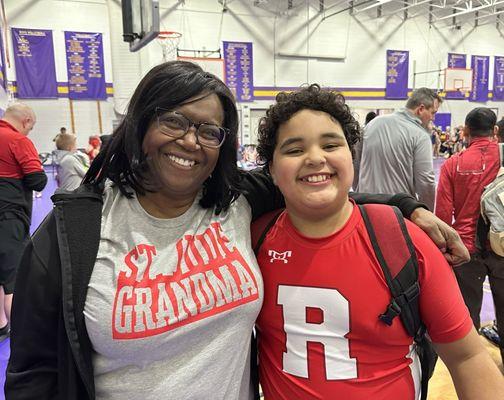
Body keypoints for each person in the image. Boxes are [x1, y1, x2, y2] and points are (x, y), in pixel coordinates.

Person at [6, 62, 469, 400]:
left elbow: (314, 184)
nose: (191, 141)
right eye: (174, 121)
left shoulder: (235, 201)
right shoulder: (74, 230)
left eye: (210, 131)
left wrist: (407, 208)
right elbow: (33, 373)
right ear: (140, 124)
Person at [254, 85, 503, 400]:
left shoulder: (404, 242)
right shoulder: (255, 241)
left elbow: (467, 356)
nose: (316, 157)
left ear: (352, 157)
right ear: (272, 171)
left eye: (331, 144)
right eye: (294, 149)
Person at [436, 107, 504, 365]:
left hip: (466, 250)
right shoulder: (503, 159)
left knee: (467, 318)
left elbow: (442, 215)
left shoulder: (453, 164)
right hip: (502, 246)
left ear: (465, 131)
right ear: (494, 130)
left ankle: (477, 376)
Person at [0, 103, 46, 338]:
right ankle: (22, 336)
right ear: (26, 121)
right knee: (13, 278)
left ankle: (1, 326)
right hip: (8, 217)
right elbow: (38, 181)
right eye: (31, 127)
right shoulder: (17, 140)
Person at [356, 88, 440, 210]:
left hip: (365, 208)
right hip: (398, 211)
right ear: (421, 109)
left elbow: (355, 163)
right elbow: (426, 182)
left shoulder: (372, 124)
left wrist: (361, 191)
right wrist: (427, 213)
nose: (433, 118)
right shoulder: (420, 135)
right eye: (433, 112)